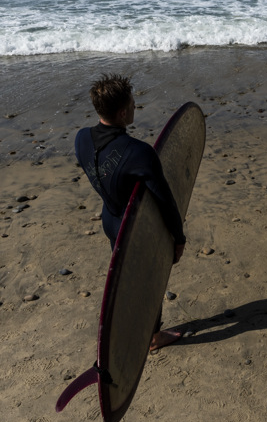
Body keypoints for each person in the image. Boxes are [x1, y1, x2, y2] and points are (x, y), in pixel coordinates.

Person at [74, 75, 185, 350]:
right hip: (136, 228)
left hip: (111, 221)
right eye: (133, 104)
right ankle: (153, 336)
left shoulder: (81, 140)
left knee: (127, 278)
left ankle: (131, 326)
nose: (136, 106)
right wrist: (179, 237)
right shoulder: (139, 153)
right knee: (151, 282)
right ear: (122, 112)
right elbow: (165, 199)